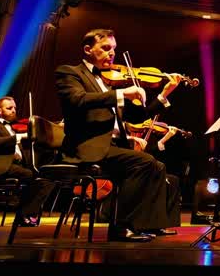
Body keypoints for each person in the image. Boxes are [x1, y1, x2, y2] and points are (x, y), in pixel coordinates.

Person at [54, 28, 179, 241]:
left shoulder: (107, 83)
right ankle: (121, 226)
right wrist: (121, 93)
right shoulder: (70, 73)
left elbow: (139, 117)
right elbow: (78, 100)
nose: (112, 53)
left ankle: (152, 223)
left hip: (109, 147)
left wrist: (163, 94)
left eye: (114, 49)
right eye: (105, 48)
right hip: (85, 147)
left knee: (158, 166)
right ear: (88, 49)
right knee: (144, 162)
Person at [0, 96, 55, 226]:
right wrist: (19, 137)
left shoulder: (17, 127)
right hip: (3, 167)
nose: (14, 110)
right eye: (9, 108)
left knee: (48, 179)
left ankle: (25, 213)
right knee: (31, 176)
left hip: (20, 166)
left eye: (14, 108)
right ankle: (24, 215)